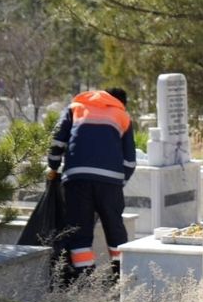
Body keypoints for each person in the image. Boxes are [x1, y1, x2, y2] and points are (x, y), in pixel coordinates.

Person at [47, 88, 136, 279]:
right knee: (115, 228)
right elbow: (129, 161)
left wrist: (53, 167)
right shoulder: (122, 116)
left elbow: (56, 141)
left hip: (77, 179)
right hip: (110, 183)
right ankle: (121, 277)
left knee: (79, 231)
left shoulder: (75, 108)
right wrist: (118, 182)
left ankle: (84, 279)